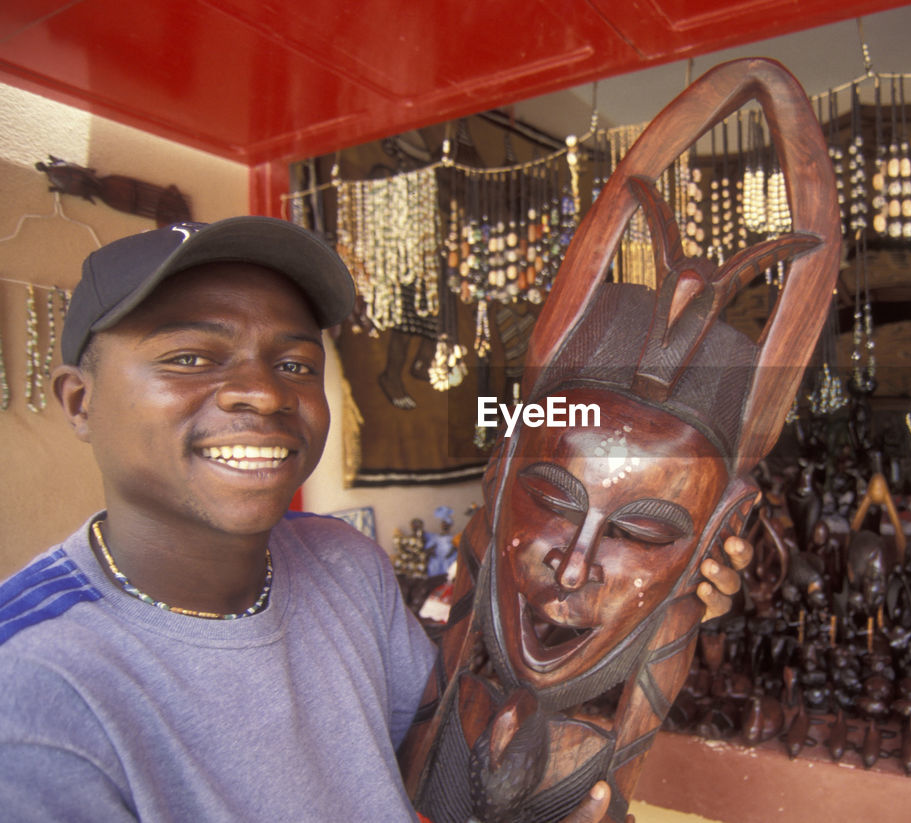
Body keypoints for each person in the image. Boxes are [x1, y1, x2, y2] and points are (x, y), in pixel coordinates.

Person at [0, 217, 753, 821]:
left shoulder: (339, 562)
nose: (261, 394)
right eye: (191, 357)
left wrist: (662, 613)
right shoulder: (36, 690)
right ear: (79, 401)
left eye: (294, 363)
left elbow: (426, 759)